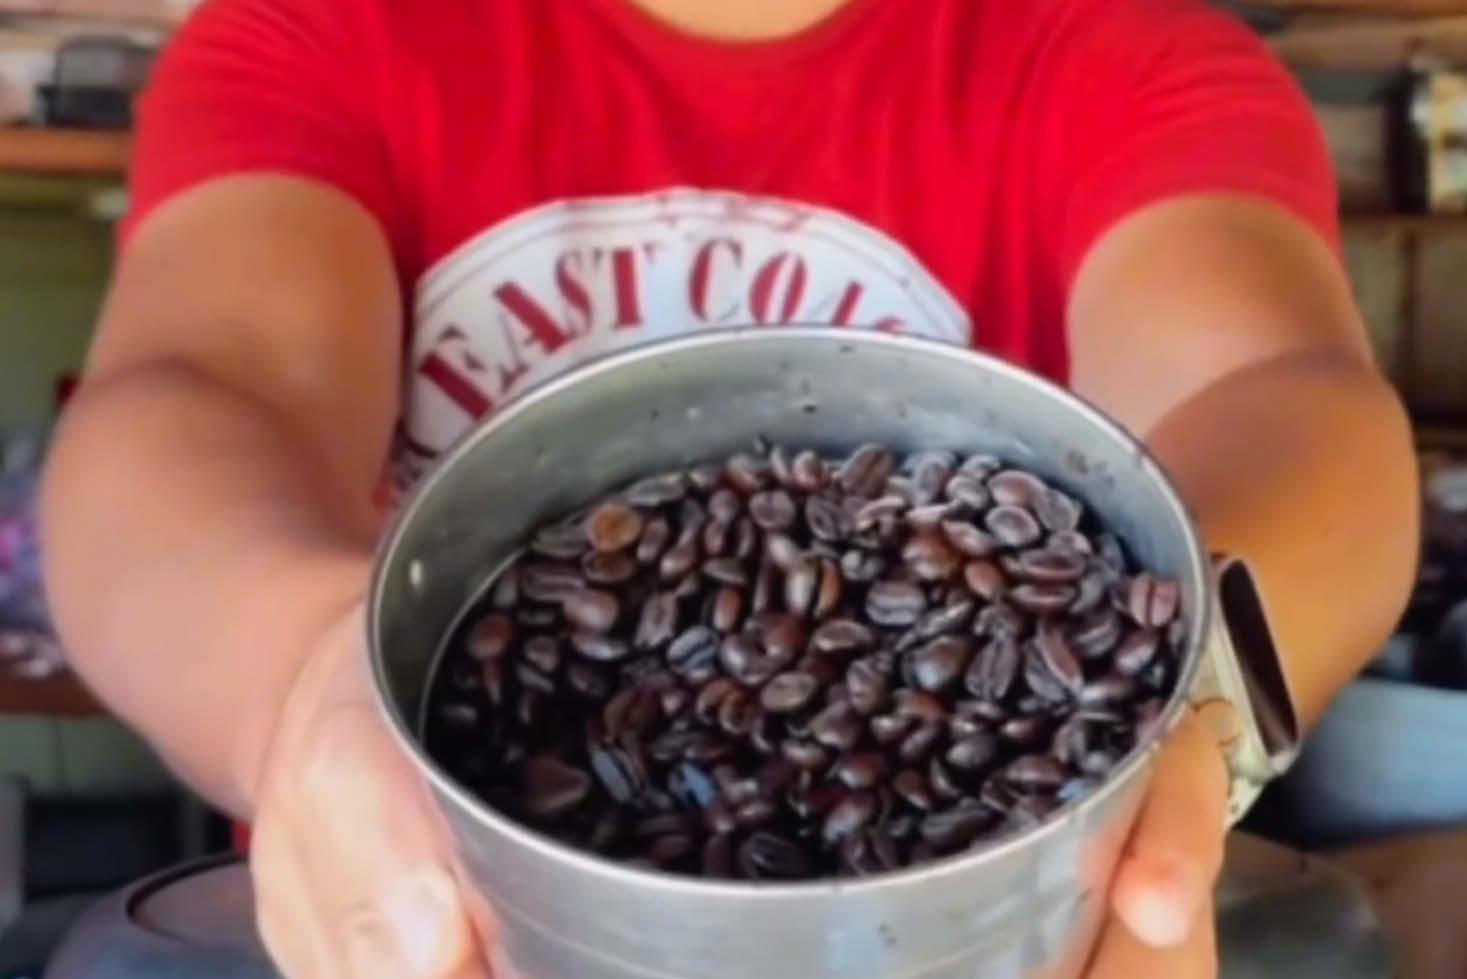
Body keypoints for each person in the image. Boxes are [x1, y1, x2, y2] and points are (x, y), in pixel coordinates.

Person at [40, 0, 1417, 976]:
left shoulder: (1128, 53)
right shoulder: (321, 30)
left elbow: (1294, 403)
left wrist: (1190, 712)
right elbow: (194, 402)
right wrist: (301, 679)